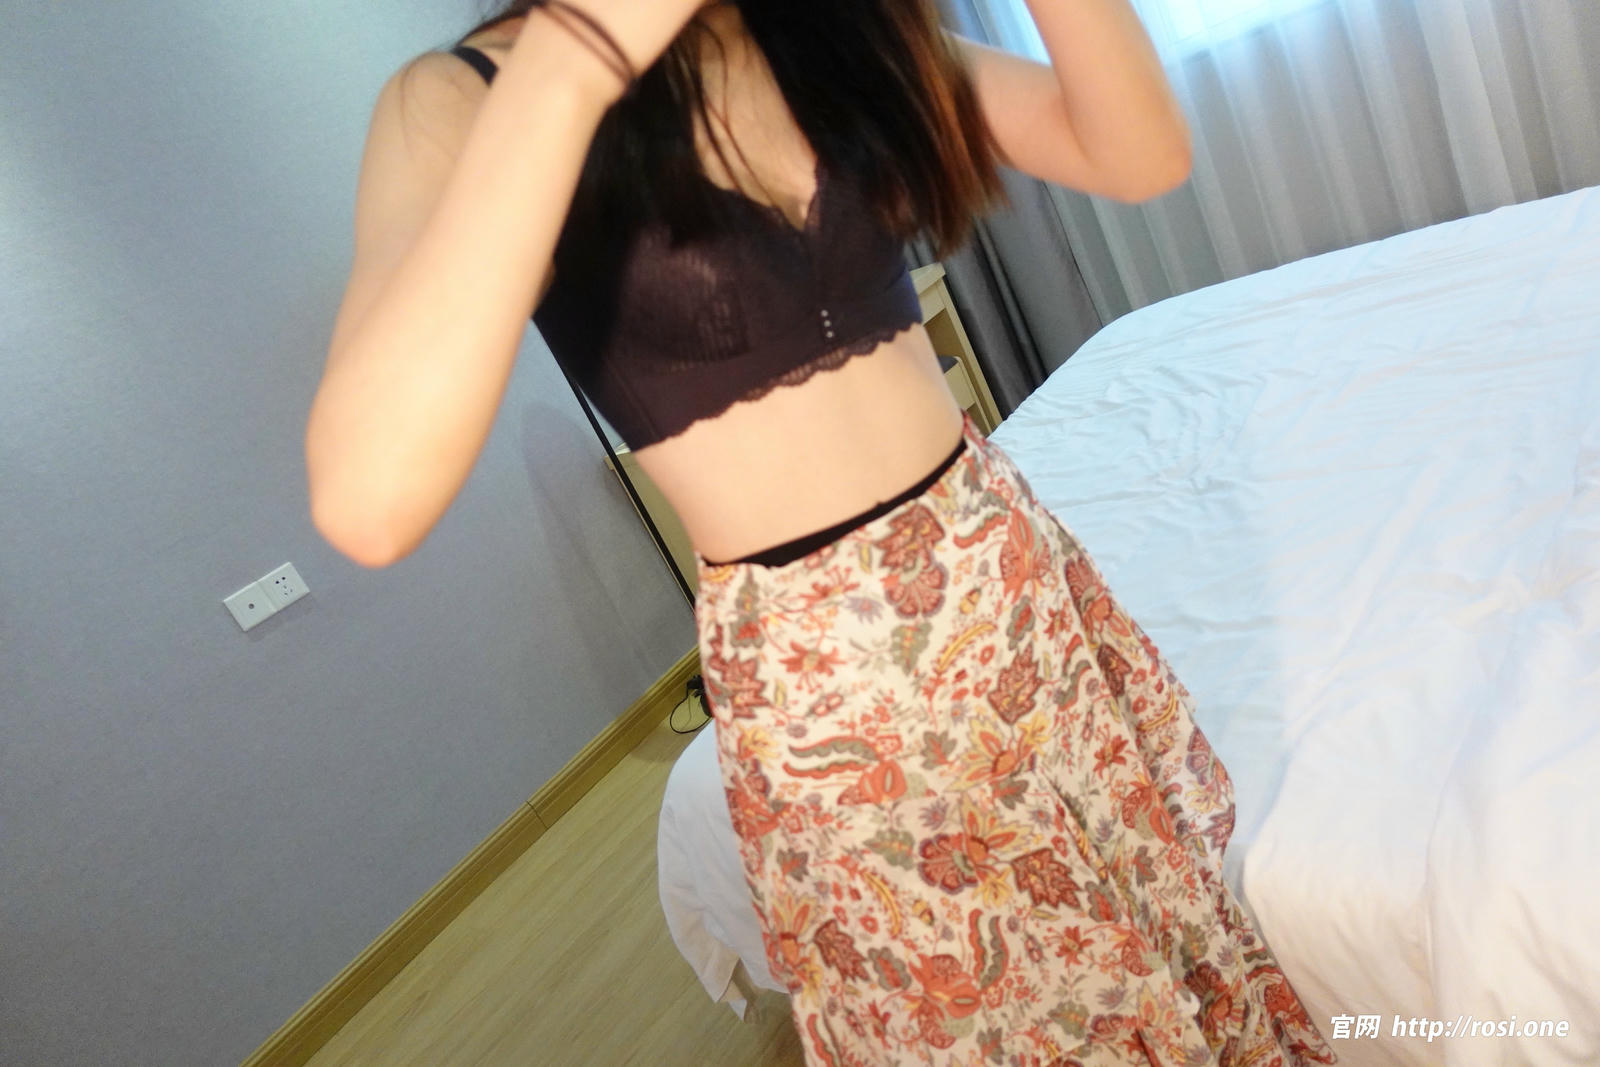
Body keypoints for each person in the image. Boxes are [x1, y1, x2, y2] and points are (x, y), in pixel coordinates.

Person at [305, 1, 1338, 1063]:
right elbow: (370, 499)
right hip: (836, 697)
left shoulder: (818, 28)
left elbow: (1140, 154)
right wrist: (581, 54)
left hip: (1015, 591)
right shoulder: (461, 98)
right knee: (999, 1019)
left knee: (1156, 930)